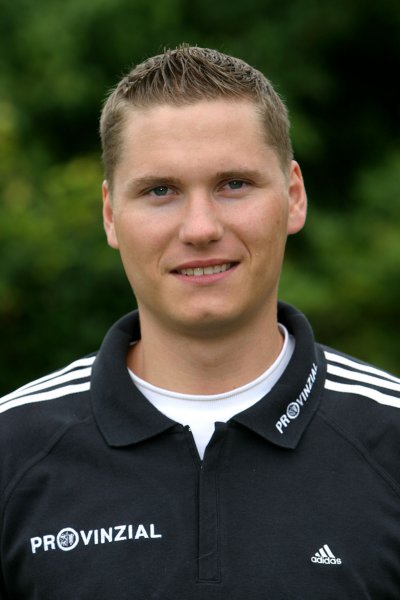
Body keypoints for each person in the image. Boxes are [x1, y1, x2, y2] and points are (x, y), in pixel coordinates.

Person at [1, 45, 399, 600]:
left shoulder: (389, 438)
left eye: (233, 184)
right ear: (111, 214)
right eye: (160, 191)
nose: (200, 228)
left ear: (294, 197)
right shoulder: (12, 448)